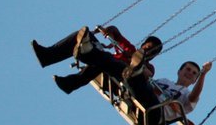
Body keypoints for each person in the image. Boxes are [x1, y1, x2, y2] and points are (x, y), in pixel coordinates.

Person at [31, 26, 163, 103]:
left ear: (153, 56)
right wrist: (108, 31)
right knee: (83, 35)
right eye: (146, 46)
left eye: (150, 50)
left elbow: (146, 76)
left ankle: (71, 83)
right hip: (106, 62)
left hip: (119, 79)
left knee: (106, 60)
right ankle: (47, 56)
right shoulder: (130, 49)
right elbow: (116, 33)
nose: (145, 50)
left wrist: (135, 63)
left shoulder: (148, 67)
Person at [148, 60, 213, 125]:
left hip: (155, 113)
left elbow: (194, 96)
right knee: (144, 73)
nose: (190, 73)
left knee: (141, 79)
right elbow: (149, 82)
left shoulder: (186, 94)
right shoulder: (164, 81)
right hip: (142, 99)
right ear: (179, 72)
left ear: (194, 81)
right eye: (188, 69)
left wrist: (203, 74)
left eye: (194, 73)